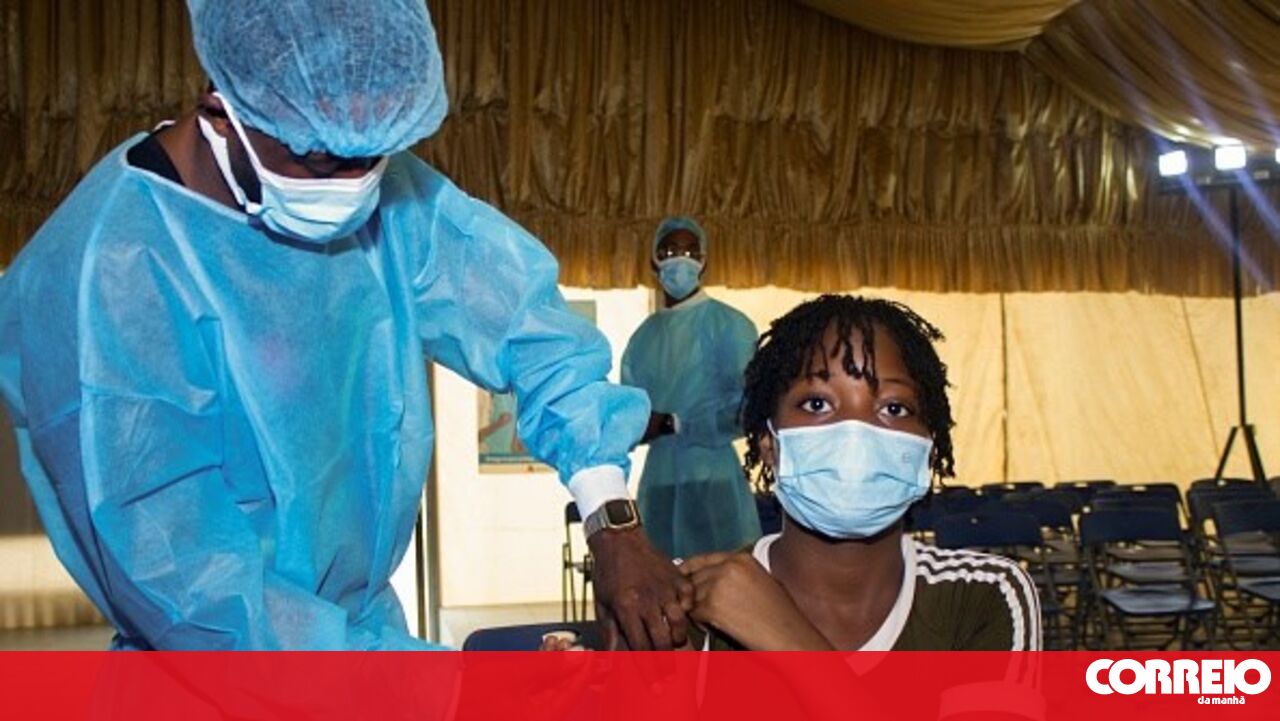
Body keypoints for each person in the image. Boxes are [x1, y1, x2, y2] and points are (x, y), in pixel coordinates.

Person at [0, 0, 690, 651]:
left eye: (375, 150)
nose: (355, 180)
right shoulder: (108, 269)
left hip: (367, 643)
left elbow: (528, 327)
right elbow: (197, 594)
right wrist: (443, 686)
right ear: (223, 105)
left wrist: (610, 518)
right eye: (321, 154)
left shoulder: (385, 194)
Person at [679, 295, 1041, 650]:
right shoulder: (683, 602)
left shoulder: (982, 598)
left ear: (928, 450)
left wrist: (782, 637)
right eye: (817, 403)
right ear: (769, 445)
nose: (855, 432)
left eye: (894, 408)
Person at [621, 217, 762, 560]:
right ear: (654, 260)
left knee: (723, 578)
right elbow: (630, 411)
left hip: (712, 478)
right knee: (663, 581)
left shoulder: (729, 326)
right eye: (669, 251)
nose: (679, 260)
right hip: (660, 481)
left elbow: (750, 407)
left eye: (689, 251)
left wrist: (676, 423)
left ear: (704, 262)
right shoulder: (643, 338)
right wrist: (640, 426)